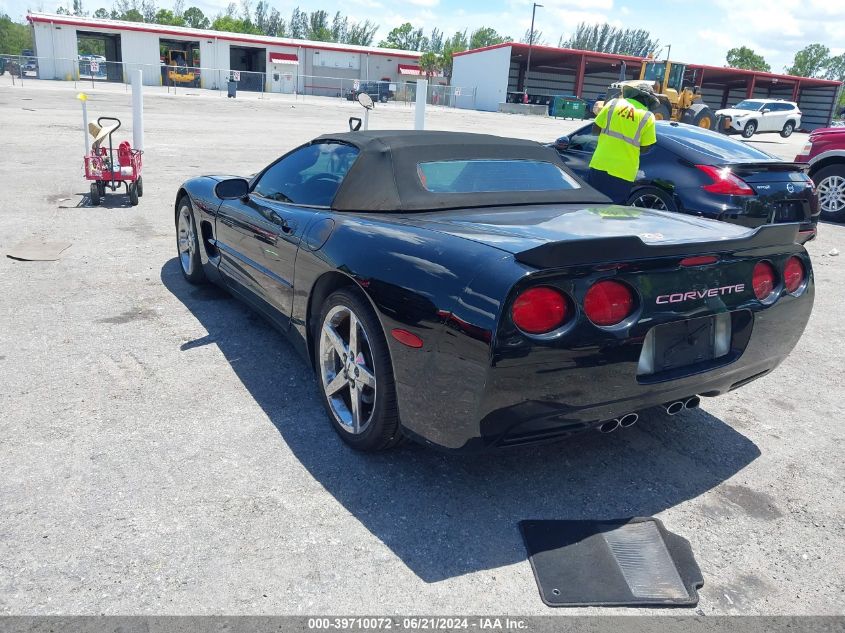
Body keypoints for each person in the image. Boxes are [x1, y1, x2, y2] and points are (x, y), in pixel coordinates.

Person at [588, 84, 659, 204]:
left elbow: (595, 130)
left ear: (633, 93)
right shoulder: (648, 117)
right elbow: (646, 148)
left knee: (591, 205)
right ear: (648, 99)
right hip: (624, 171)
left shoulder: (613, 103)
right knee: (613, 211)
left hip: (600, 163)